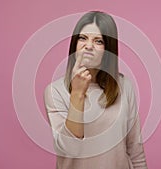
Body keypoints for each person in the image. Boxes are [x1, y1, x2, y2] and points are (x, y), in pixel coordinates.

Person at [44, 11, 148, 169]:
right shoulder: (55, 91)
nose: (88, 46)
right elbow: (69, 148)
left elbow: (135, 149)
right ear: (75, 45)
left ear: (108, 50)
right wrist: (77, 93)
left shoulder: (125, 86)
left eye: (98, 41)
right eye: (82, 38)